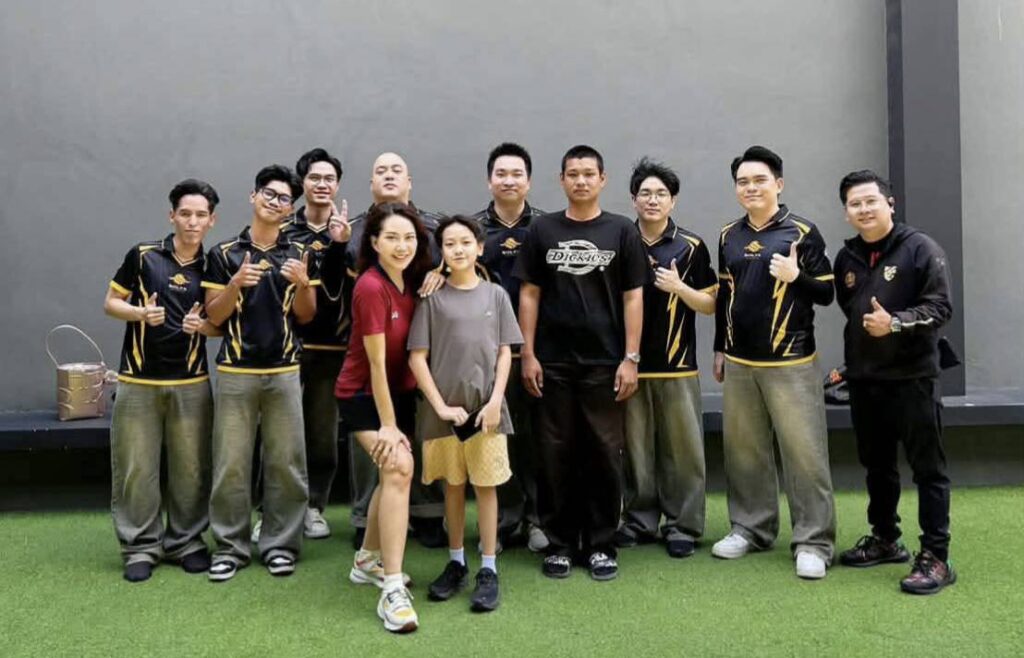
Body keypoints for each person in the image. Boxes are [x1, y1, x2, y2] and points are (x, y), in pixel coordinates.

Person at [514, 144, 647, 581]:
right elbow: (529, 293)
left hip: (605, 364)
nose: (581, 181)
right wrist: (528, 353)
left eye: (589, 173)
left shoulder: (622, 231)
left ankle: (602, 543)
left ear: (602, 179)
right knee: (554, 453)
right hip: (551, 363)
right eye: (573, 174)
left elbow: (633, 297)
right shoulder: (542, 230)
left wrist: (630, 358)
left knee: (604, 452)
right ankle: (560, 543)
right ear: (561, 180)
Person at [711, 145, 837, 580]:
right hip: (740, 362)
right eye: (743, 182)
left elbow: (827, 292)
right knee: (745, 452)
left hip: (791, 362)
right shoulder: (728, 235)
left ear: (778, 184)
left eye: (759, 180)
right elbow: (725, 296)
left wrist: (796, 277)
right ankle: (751, 527)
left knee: (804, 455)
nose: (751, 187)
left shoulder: (803, 232)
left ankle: (814, 542)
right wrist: (719, 347)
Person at [833, 169, 956, 595]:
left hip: (913, 379)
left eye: (871, 201)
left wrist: (897, 324)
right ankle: (886, 539)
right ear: (846, 213)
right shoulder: (846, 258)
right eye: (855, 204)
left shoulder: (921, 248)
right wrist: (852, 364)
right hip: (866, 382)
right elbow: (853, 314)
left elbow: (940, 308)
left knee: (929, 471)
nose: (863, 209)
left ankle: (936, 556)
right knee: (878, 466)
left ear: (890, 204)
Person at [321, 151, 448, 549]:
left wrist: (441, 272)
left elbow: (459, 263)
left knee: (419, 440)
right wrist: (336, 246)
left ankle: (426, 514)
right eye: (381, 171)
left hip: (417, 357)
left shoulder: (434, 228)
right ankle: (367, 523)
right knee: (379, 449)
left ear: (410, 181)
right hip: (371, 355)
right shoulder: (354, 231)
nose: (389, 176)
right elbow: (332, 290)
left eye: (397, 170)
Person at [202, 165, 316, 581]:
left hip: (284, 370)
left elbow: (306, 315)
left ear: (290, 209)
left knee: (287, 463)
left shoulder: (298, 252)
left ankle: (280, 545)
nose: (275, 202)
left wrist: (303, 283)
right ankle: (230, 548)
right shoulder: (224, 253)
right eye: (268, 194)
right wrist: (235, 284)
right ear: (254, 197)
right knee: (230, 464)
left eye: (284, 198)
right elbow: (214, 316)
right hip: (236, 371)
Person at [103, 179, 220, 582]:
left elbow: (222, 325)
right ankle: (140, 546)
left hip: (192, 382)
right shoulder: (143, 256)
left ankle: (186, 542)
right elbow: (111, 303)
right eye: (185, 213)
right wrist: (140, 314)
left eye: (200, 215)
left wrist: (203, 326)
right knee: (136, 467)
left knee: (191, 468)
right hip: (138, 381)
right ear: (172, 216)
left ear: (211, 220)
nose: (192, 222)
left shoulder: (215, 264)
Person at [408, 215, 523, 612]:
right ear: (441, 252)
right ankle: (456, 561)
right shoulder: (432, 299)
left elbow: (505, 352)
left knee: (486, 487)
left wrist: (494, 402)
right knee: (453, 487)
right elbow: (418, 357)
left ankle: (488, 567)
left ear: (480, 247)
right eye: (449, 244)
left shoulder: (496, 295)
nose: (458, 249)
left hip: (486, 414)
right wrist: (440, 406)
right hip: (444, 415)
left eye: (465, 242)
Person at [335, 203, 433, 633]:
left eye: (409, 238)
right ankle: (392, 589)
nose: (401, 245)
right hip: (362, 395)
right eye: (391, 237)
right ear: (373, 242)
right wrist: (388, 425)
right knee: (398, 468)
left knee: (389, 475)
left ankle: (366, 561)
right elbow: (374, 364)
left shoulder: (412, 280)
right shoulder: (371, 286)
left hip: (399, 394)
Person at [616, 158, 717, 558]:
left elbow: (710, 303)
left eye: (661, 194)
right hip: (631, 366)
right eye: (645, 193)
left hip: (678, 366)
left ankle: (683, 525)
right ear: (633, 200)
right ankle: (639, 521)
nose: (653, 200)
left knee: (683, 451)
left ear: (673, 201)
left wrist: (679, 287)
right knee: (636, 451)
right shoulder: (620, 240)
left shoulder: (690, 246)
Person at [471, 142, 549, 553]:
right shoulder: (472, 231)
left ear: (528, 181)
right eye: (501, 173)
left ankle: (537, 520)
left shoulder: (547, 228)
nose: (509, 180)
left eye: (517, 174)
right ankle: (501, 523)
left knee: (535, 441)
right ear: (489, 180)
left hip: (536, 355)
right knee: (494, 441)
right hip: (487, 358)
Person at [275, 147, 352, 540]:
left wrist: (339, 244)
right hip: (283, 349)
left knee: (322, 435)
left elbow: (341, 292)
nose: (322, 185)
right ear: (302, 183)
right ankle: (273, 509)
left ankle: (314, 506)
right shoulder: (282, 230)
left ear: (337, 186)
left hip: (331, 349)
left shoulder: (349, 233)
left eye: (329, 179)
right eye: (315, 178)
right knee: (280, 434)